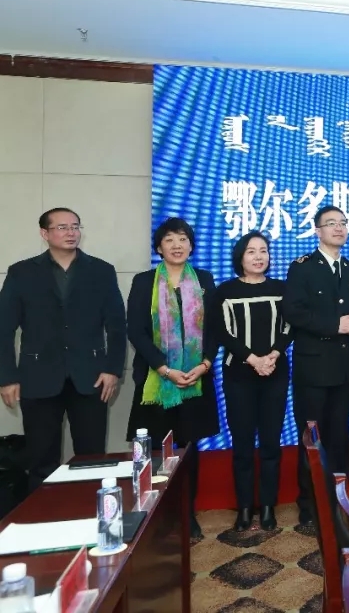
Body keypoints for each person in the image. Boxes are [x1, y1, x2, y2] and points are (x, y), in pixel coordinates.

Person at [0, 208, 126, 491]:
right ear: (44, 233)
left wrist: (112, 369)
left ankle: (91, 512)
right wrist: (7, 378)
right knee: (42, 460)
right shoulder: (21, 272)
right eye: (62, 227)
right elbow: (3, 329)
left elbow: (117, 326)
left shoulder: (101, 271)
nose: (71, 232)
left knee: (92, 458)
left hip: (92, 377)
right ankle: (41, 515)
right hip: (38, 376)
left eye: (75, 226)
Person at [127, 217, 218, 538]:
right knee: (156, 452)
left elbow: (214, 328)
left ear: (191, 245)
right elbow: (136, 331)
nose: (177, 245)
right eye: (169, 240)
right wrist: (164, 368)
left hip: (195, 378)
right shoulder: (144, 282)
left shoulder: (204, 279)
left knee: (189, 449)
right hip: (157, 379)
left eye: (182, 239)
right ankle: (158, 516)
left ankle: (186, 513)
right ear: (159, 247)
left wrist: (205, 363)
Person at [282, 205, 349, 525]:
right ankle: (310, 503)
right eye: (331, 223)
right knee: (312, 438)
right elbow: (294, 312)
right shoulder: (302, 267)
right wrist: (337, 324)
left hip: (344, 367)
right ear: (318, 231)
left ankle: (340, 499)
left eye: (343, 223)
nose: (339, 228)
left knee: (340, 435)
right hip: (313, 368)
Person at [212, 232, 293, 532]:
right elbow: (222, 332)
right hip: (239, 376)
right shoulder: (225, 291)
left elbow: (290, 326)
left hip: (275, 373)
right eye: (251, 251)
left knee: (271, 443)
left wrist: (273, 355)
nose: (259, 256)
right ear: (240, 257)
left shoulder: (281, 289)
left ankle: (268, 506)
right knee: (243, 444)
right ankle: (245, 507)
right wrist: (253, 359)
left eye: (263, 251)